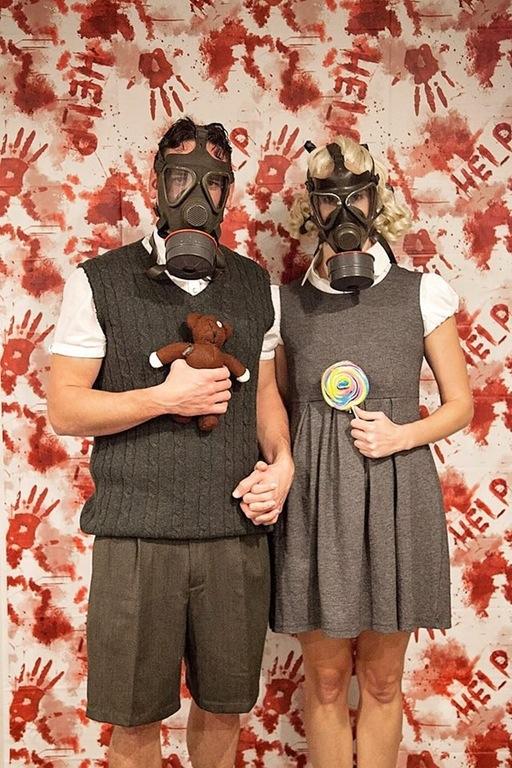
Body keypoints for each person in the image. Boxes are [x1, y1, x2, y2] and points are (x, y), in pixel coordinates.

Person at [46, 117, 294, 768]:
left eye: (213, 184)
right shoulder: (98, 281)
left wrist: (283, 463)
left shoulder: (255, 288)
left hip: (232, 534)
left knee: (223, 710)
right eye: (181, 178)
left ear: (228, 193)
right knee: (134, 723)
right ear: (155, 184)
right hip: (137, 539)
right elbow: (65, 407)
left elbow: (266, 397)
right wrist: (164, 398)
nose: (197, 197)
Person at [244, 135, 473, 768]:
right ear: (311, 209)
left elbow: (460, 404)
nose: (345, 212)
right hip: (316, 502)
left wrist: (402, 434)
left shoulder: (423, 293)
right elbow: (276, 403)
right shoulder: (283, 304)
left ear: (378, 201)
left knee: (381, 680)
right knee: (323, 681)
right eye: (329, 200)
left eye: (358, 197)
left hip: (397, 494)